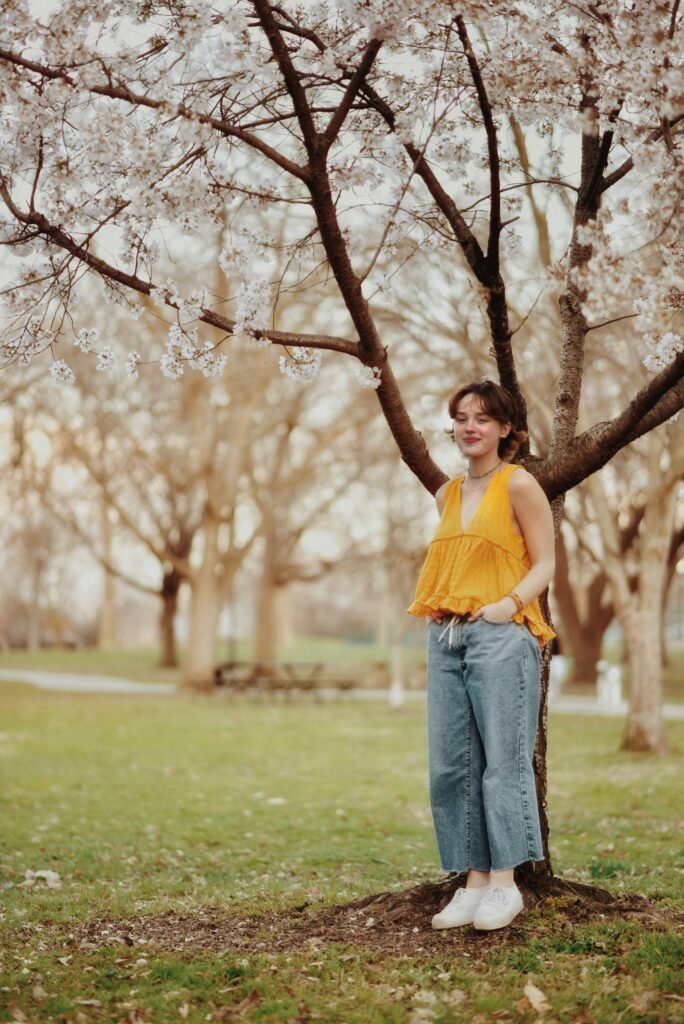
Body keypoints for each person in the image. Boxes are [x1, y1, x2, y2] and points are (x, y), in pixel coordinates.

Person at [407, 379, 556, 931]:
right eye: (462, 417)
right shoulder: (447, 493)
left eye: (483, 419)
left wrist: (505, 605)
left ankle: (504, 884)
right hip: (445, 637)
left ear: (505, 429)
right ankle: (471, 884)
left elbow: (545, 564)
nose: (470, 426)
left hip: (500, 634)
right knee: (451, 766)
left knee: (502, 762)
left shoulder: (519, 485)